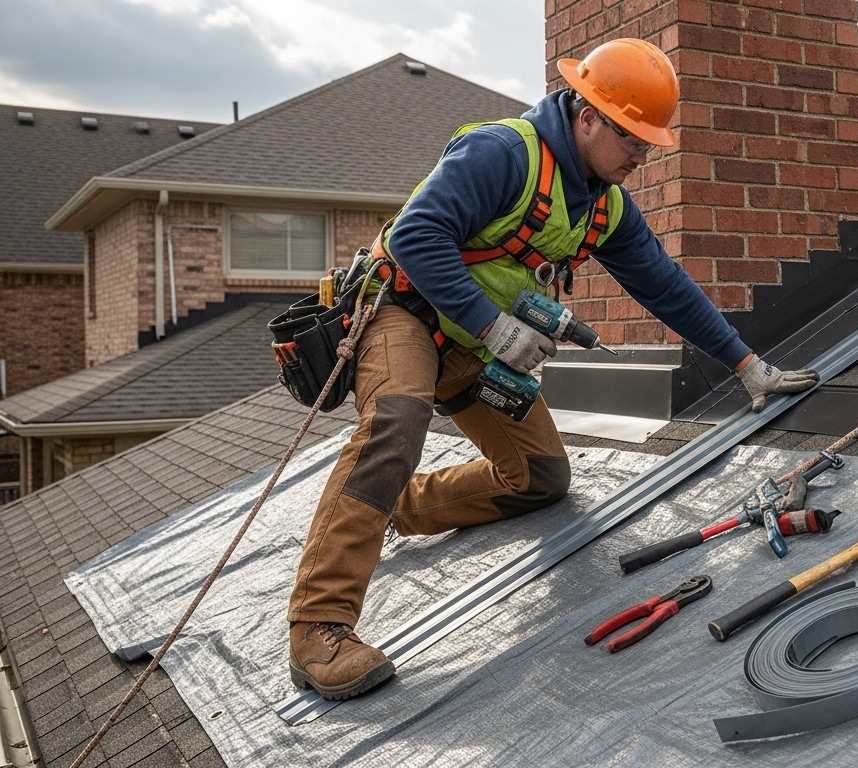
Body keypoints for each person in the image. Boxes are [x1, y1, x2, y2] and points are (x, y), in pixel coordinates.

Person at [286, 38, 819, 700]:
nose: (643, 154)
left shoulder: (604, 204)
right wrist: (495, 326)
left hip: (474, 346)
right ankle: (319, 629)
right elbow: (417, 237)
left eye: (650, 141)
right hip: (404, 312)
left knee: (541, 477)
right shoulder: (502, 154)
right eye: (632, 137)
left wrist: (747, 365)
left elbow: (665, 285)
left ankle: (394, 505)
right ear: (587, 115)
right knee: (397, 418)